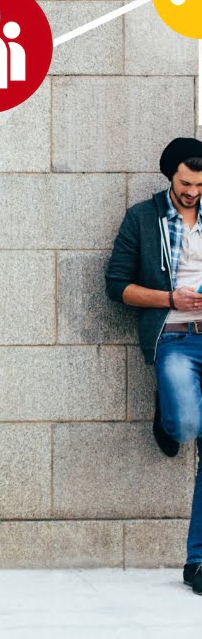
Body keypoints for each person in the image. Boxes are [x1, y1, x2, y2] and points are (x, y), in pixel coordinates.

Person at [105, 137, 202, 596]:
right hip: (174, 337)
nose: (193, 192)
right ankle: (169, 409)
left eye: (200, 185)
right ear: (170, 176)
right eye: (186, 183)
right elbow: (116, 286)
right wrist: (170, 298)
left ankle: (197, 561)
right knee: (185, 426)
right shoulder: (143, 218)